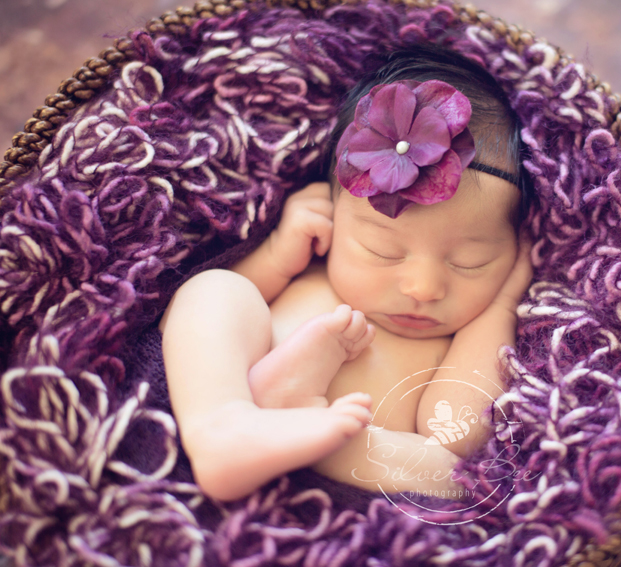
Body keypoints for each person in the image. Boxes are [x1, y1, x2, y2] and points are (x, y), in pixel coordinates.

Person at [158, 46, 533, 502]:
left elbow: (457, 435)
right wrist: (278, 253)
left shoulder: (459, 340)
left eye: (469, 262)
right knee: (213, 289)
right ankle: (220, 427)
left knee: (448, 471)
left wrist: (501, 306)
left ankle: (298, 428)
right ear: (335, 216)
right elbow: (184, 327)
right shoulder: (312, 267)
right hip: (236, 399)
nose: (423, 288)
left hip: (340, 453)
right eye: (383, 250)